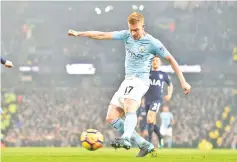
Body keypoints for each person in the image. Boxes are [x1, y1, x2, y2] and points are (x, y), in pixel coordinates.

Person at [68, 12, 191, 157]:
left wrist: (183, 81)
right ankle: (144, 144)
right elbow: (102, 35)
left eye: (136, 30)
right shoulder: (126, 35)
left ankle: (126, 139)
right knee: (111, 117)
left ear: (143, 26)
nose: (133, 33)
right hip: (127, 80)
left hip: (141, 81)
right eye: (131, 30)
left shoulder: (153, 43)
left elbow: (171, 60)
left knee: (129, 104)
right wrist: (78, 33)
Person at [144, 56, 173, 148]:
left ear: (160, 63)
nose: (155, 62)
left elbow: (170, 84)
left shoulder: (163, 74)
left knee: (149, 119)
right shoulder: (146, 73)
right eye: (153, 60)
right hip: (147, 100)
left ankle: (148, 143)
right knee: (151, 122)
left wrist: (169, 94)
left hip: (157, 100)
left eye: (157, 60)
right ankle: (160, 136)